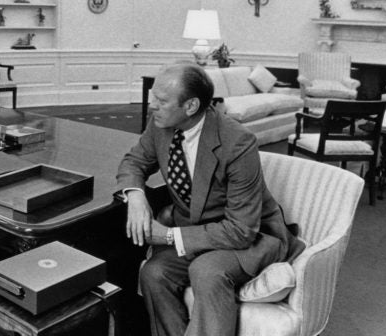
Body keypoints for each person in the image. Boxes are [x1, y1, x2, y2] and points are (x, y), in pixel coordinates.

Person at [116, 63, 304, 336]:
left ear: (190, 106)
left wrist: (169, 236)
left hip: (252, 236)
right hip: (198, 232)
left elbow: (241, 230)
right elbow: (134, 161)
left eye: (161, 100)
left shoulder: (238, 142)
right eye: (153, 97)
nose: (151, 104)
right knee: (153, 274)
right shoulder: (160, 124)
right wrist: (135, 195)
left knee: (207, 270)